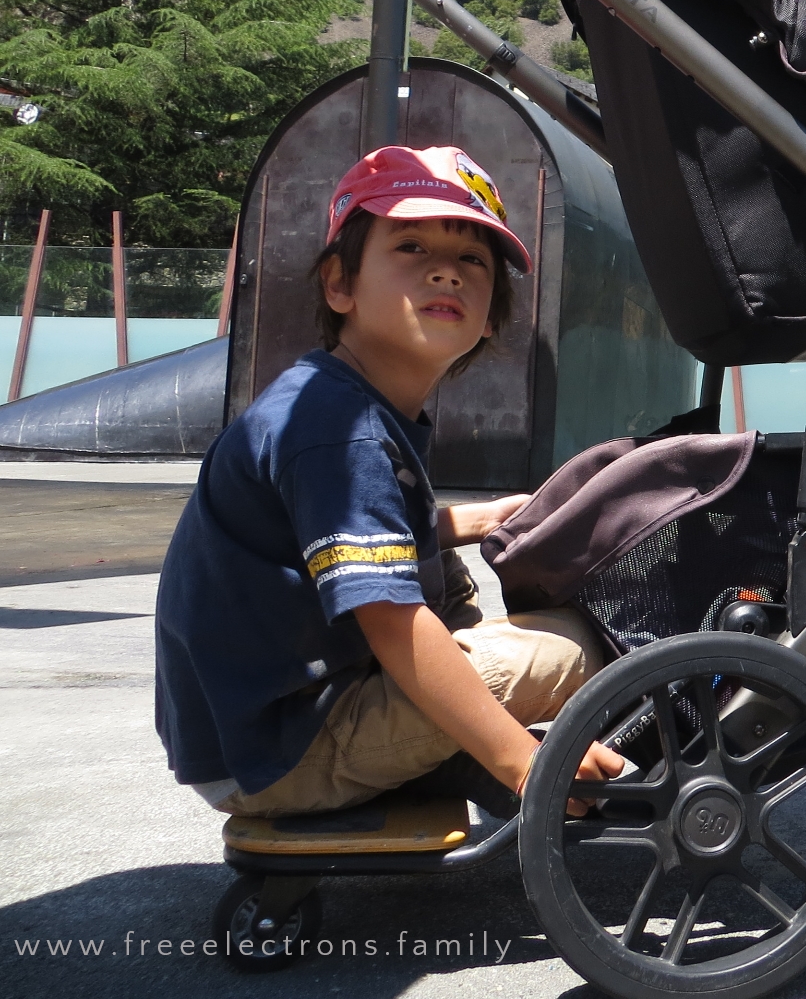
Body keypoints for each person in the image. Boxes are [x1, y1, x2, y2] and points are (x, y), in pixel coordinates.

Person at [154, 146, 623, 818]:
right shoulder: (337, 430)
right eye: (411, 245)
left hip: (262, 735)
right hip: (284, 753)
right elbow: (392, 622)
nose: (446, 270)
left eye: (473, 260)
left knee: (445, 574)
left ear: (491, 316)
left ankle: (456, 745)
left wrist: (478, 519)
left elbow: (329, 535)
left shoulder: (340, 402)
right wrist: (526, 765)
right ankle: (484, 750)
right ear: (339, 284)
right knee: (575, 647)